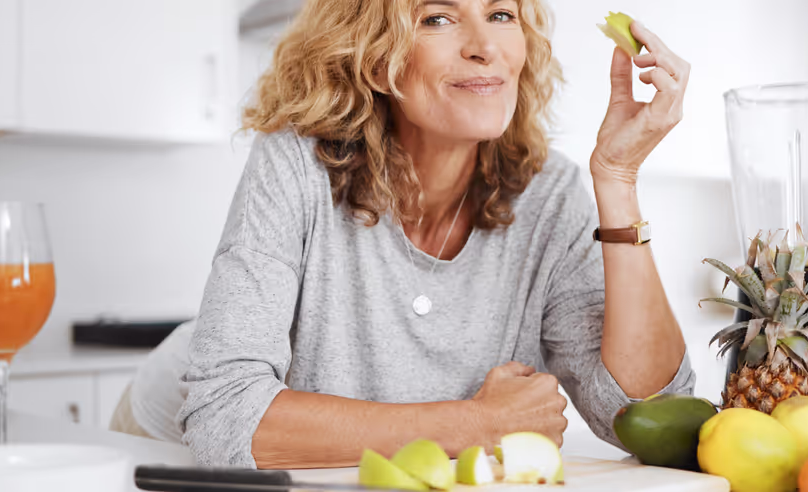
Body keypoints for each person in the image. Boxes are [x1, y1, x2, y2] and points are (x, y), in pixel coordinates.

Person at [176, 0, 694, 468]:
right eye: (437, 18)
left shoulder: (549, 195)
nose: (485, 47)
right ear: (376, 59)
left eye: (500, 14)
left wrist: (618, 178)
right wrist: (475, 424)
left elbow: (646, 417)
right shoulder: (294, 164)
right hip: (157, 439)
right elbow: (223, 416)